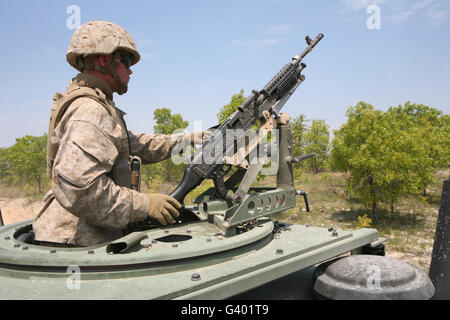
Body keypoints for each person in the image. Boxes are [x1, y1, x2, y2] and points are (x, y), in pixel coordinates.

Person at [32, 20, 208, 247]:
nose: (130, 69)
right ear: (104, 59)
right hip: (76, 244)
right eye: (125, 60)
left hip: (85, 236)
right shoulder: (90, 110)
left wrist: (185, 140)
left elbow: (135, 144)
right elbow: (80, 189)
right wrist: (145, 205)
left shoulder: (98, 104)